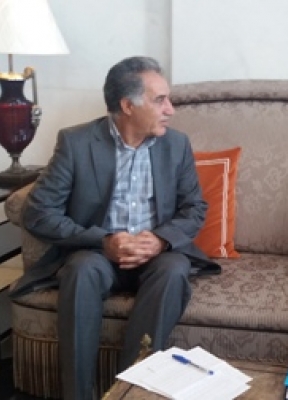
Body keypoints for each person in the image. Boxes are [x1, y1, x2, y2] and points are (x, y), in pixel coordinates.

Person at [9, 56, 219, 400]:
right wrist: (103, 240)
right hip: (97, 253)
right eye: (160, 100)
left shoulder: (176, 144)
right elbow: (38, 213)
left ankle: (128, 391)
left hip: (157, 256)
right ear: (127, 105)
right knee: (81, 270)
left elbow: (194, 208)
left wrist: (160, 240)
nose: (170, 109)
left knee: (174, 269)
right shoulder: (76, 143)